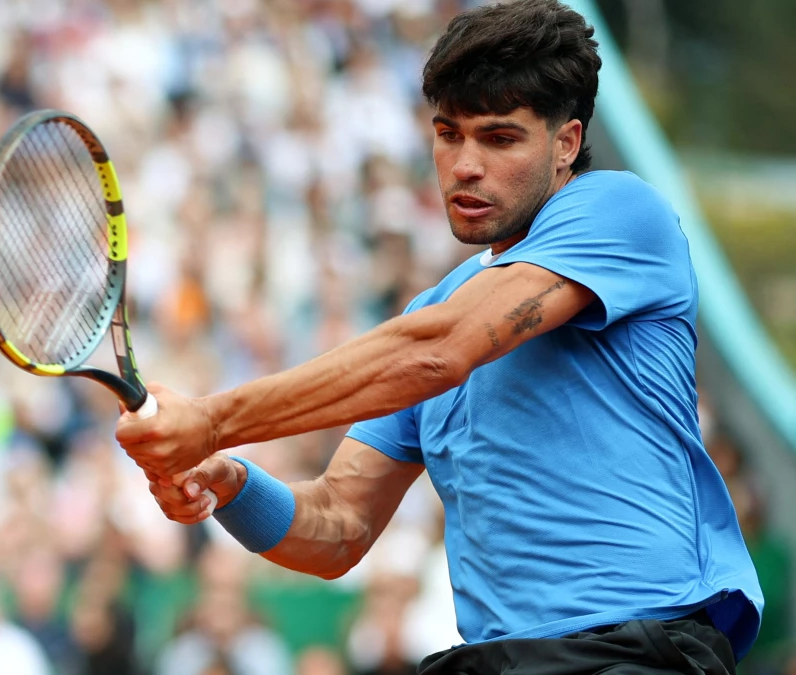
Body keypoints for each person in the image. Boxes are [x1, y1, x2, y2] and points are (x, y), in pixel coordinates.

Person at [115, 1, 764, 673]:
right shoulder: (433, 314)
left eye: (500, 138)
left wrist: (214, 421)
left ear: (566, 143)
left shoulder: (623, 213)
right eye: (449, 133)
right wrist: (233, 483)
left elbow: (442, 350)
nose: (464, 165)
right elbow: (337, 527)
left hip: (635, 651)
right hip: (495, 659)